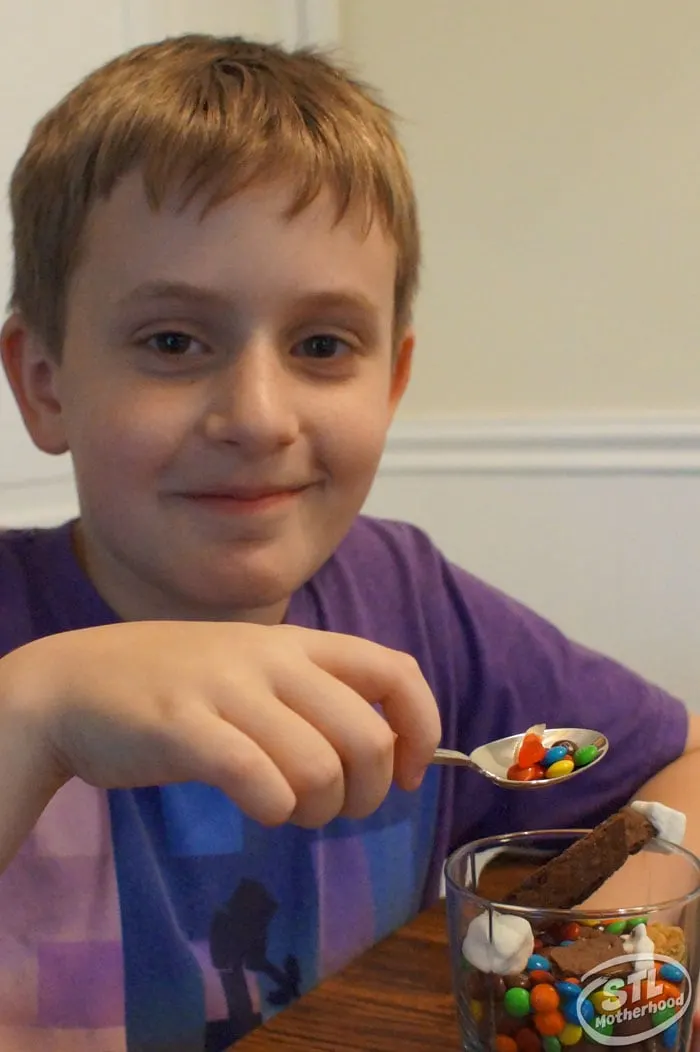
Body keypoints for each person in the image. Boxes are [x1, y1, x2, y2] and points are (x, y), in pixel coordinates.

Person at [0, 33, 696, 1052]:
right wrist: (36, 714)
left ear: (393, 379)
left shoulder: (418, 604)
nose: (258, 414)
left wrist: (604, 942)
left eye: (322, 345)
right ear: (46, 381)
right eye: (171, 342)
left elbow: (680, 759)